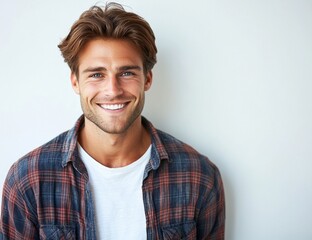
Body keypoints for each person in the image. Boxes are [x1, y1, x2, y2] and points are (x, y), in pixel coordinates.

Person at [0, 2, 225, 239]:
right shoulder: (28, 179)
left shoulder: (200, 175)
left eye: (127, 73)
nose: (113, 90)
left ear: (147, 79)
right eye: (96, 74)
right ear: (75, 82)